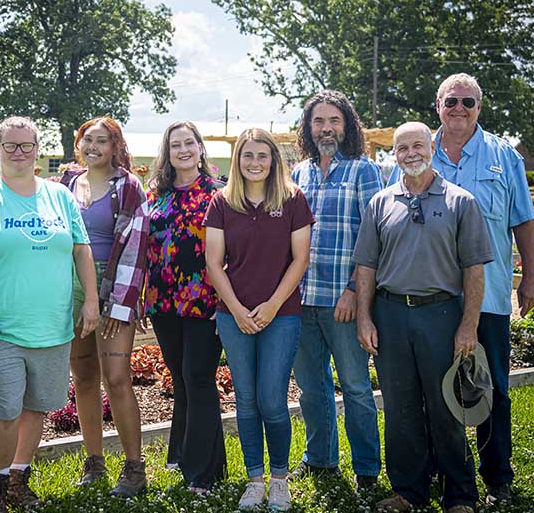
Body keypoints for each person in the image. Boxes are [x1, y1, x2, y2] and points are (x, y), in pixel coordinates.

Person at [389, 73, 534, 505]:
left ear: (479, 106)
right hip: (430, 298)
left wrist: (529, 277)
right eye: (451, 100)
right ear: (437, 105)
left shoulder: (502, 156)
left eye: (467, 102)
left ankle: (497, 477)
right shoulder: (416, 151)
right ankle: (437, 474)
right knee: (432, 390)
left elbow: (522, 219)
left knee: (492, 387)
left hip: (486, 295)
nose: (459, 108)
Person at [0, 116, 100, 513]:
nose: (19, 153)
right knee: (6, 412)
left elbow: (81, 249)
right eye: (11, 146)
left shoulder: (60, 197)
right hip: (2, 329)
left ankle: (20, 479)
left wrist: (90, 300)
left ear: (38, 150)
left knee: (36, 408)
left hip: (53, 327)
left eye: (27, 146)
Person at [354, 122, 494, 513]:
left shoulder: (460, 201)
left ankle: (459, 495)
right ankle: (409, 491)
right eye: (403, 148)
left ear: (431, 147)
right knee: (399, 408)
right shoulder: (381, 203)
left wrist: (468, 326)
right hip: (392, 314)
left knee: (447, 407)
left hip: (441, 315)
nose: (411, 153)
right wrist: (365, 318)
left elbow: (474, 270)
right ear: (393, 154)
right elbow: (366, 266)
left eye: (418, 145)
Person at [205, 128, 313, 511]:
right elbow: (214, 264)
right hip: (234, 315)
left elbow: (301, 258)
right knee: (246, 400)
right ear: (238, 161)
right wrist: (236, 309)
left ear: (273, 160)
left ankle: (279, 479)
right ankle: (254, 479)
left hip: (281, 315)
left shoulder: (292, 199)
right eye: (248, 156)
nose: (255, 163)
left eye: (262, 156)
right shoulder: (221, 203)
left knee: (272, 398)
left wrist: (270, 306)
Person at [290, 91, 383, 489]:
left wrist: (353, 292)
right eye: (318, 122)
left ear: (348, 125)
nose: (326, 128)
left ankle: (366, 469)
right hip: (302, 300)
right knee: (312, 390)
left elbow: (373, 236)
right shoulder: (299, 174)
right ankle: (321, 459)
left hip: (343, 301)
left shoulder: (363, 170)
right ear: (308, 128)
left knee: (357, 388)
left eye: (334, 121)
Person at [60, 116, 150, 497]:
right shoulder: (65, 184)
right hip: (72, 286)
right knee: (82, 376)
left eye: (102, 141)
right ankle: (94, 461)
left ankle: (134, 468)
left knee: (115, 377)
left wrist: (118, 304)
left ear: (115, 146)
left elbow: (136, 246)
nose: (93, 147)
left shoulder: (128, 187)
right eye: (87, 141)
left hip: (115, 285)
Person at [145, 121, 226, 494]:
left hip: (204, 301)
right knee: (181, 380)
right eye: (175, 144)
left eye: (189, 143)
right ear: (168, 152)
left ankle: (202, 473)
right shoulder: (156, 195)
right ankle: (185, 456)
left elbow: (232, 253)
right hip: (163, 303)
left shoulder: (218, 194)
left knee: (198, 377)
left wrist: (225, 298)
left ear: (200, 148)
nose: (183, 150)